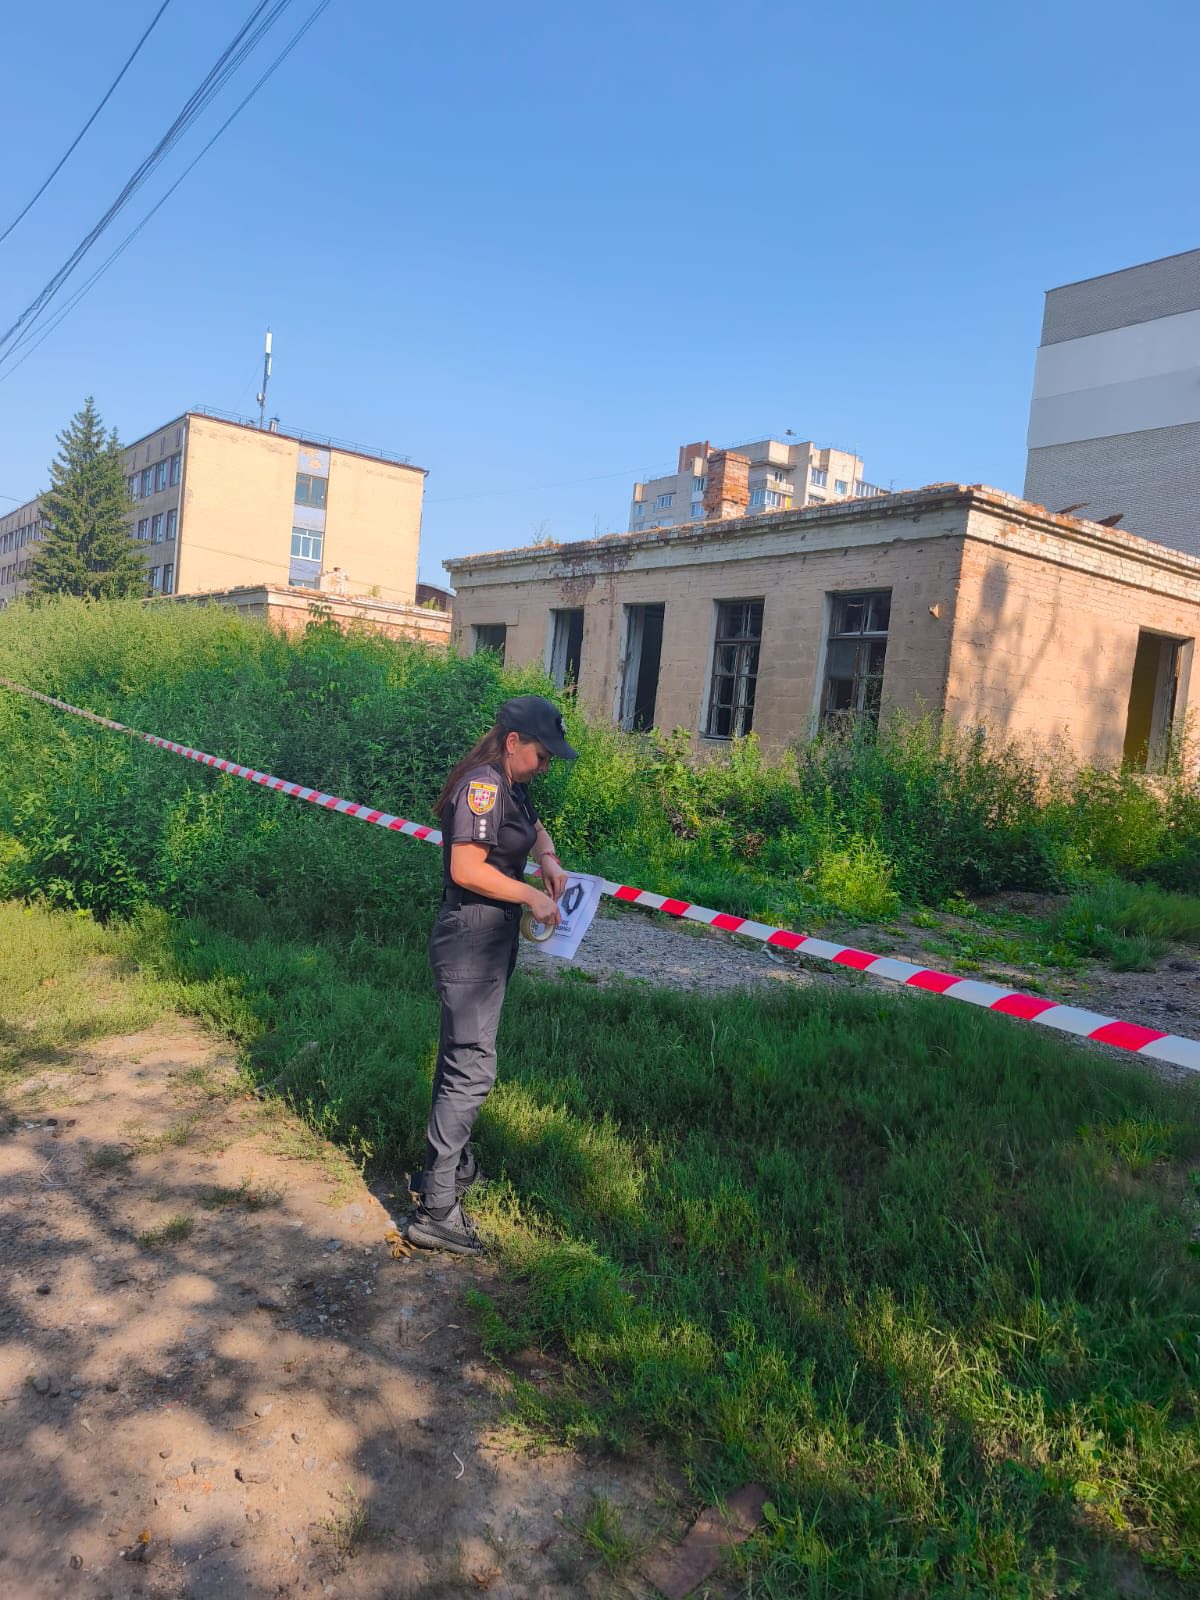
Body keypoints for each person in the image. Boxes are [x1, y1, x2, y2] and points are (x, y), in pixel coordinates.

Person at [404, 695, 578, 1254]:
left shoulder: (512, 785)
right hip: (471, 940)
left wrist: (547, 858)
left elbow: (533, 827)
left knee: (461, 1059)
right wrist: (531, 894)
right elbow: (465, 866)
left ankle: (441, 1173)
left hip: (489, 938)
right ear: (512, 742)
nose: (545, 765)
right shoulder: (483, 785)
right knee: (472, 1068)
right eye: (542, 754)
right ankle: (437, 1210)